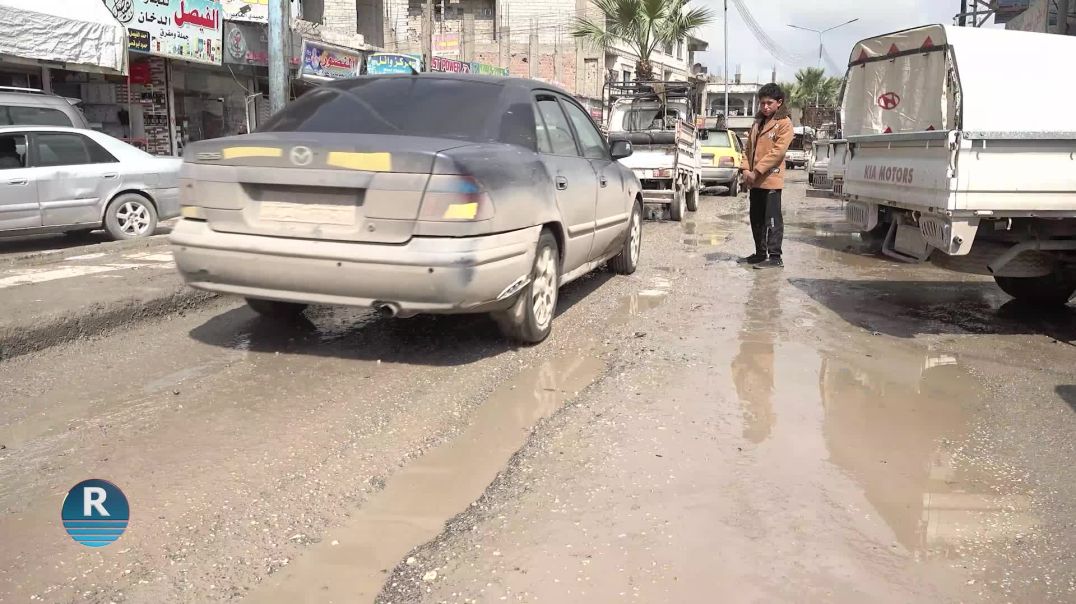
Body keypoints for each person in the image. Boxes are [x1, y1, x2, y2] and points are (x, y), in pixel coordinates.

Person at [739, 83, 794, 269]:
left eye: (769, 103)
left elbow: (777, 153)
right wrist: (745, 170)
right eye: (762, 103)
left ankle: (775, 257)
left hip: (770, 180)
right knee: (756, 219)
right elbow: (747, 150)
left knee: (772, 221)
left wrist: (756, 171)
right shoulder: (757, 123)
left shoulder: (784, 123)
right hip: (754, 182)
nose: (765, 107)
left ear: (779, 103)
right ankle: (760, 253)